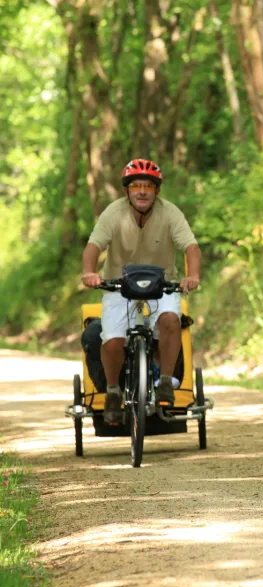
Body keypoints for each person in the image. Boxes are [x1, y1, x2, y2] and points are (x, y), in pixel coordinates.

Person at [81, 159, 201, 425]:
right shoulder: (113, 213)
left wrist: (192, 275)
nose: (142, 191)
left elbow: (191, 247)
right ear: (127, 191)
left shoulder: (170, 213)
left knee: (171, 320)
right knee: (112, 342)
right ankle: (113, 391)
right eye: (136, 185)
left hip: (162, 285)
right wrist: (90, 272)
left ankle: (167, 382)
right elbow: (94, 245)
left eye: (148, 185)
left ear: (157, 190)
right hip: (119, 286)